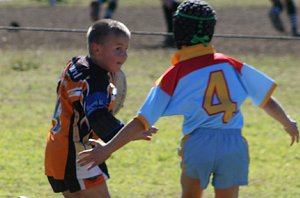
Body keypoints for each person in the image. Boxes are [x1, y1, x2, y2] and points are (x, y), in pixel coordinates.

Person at [78, 1, 299, 197]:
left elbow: (141, 121)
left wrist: (107, 149)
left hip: (198, 145)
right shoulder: (232, 64)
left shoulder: (175, 74)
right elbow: (265, 99)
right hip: (234, 145)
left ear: (178, 31)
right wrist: (288, 123)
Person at [44, 19, 156, 197]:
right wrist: (128, 133)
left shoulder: (76, 64)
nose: (124, 55)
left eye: (126, 49)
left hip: (57, 149)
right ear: (97, 49)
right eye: (118, 49)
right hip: (78, 155)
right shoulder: (96, 80)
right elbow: (98, 117)